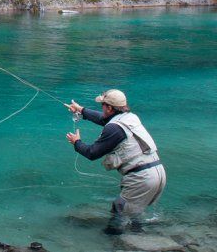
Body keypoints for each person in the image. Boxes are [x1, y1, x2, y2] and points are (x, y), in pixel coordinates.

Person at [65, 89, 166, 235]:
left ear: (109, 107)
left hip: (142, 177)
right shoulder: (130, 117)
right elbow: (104, 119)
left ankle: (114, 240)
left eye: (103, 105)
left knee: (119, 209)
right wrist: (81, 110)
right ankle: (138, 235)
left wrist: (76, 142)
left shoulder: (114, 129)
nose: (102, 107)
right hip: (158, 173)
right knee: (132, 211)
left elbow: (92, 153)